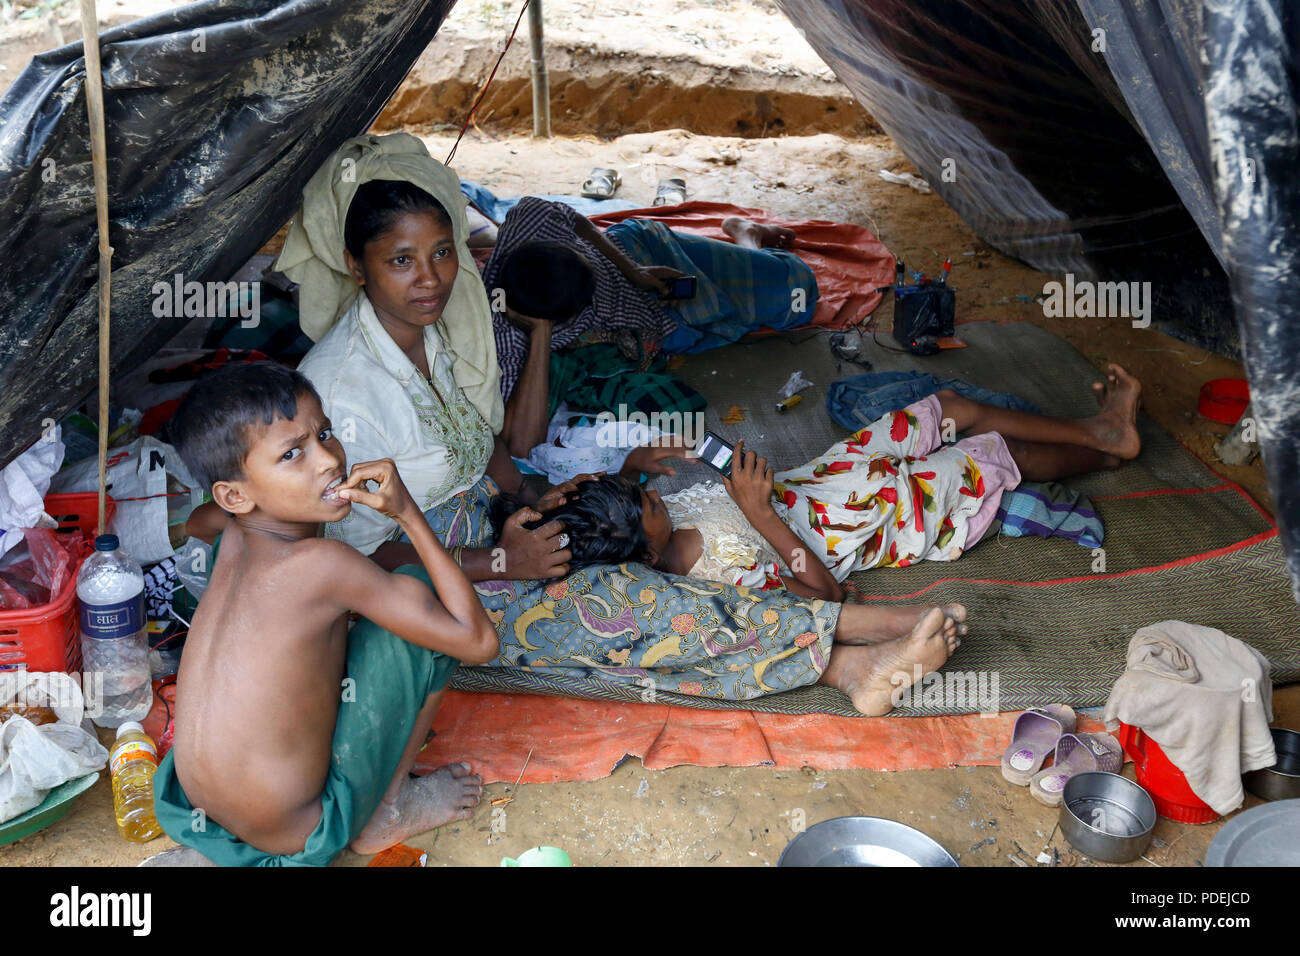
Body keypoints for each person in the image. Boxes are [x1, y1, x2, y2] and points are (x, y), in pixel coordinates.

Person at [274, 134, 961, 716]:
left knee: (629, 546)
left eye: (443, 253)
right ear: (354, 266)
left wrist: (535, 497)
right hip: (426, 584)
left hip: (496, 528)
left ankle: (843, 645)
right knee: (626, 603)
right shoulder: (340, 394)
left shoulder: (432, 335)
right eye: (401, 261)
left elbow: (478, 444)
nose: (431, 280)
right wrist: (504, 562)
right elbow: (354, 560)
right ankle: (852, 650)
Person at [153, 362, 498, 866]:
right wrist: (406, 513)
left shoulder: (231, 527)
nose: (328, 461)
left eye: (325, 434)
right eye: (292, 454)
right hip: (302, 831)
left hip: (200, 804)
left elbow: (202, 520)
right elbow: (477, 641)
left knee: (363, 614)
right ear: (237, 493)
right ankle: (389, 809)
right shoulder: (324, 565)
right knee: (421, 592)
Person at [493, 365, 1143, 600]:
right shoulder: (715, 578)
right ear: (647, 552)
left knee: (948, 407)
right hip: (879, 521)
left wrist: (631, 467)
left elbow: (599, 498)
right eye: (647, 505)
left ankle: (1099, 432)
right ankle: (1107, 450)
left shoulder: (638, 529)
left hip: (831, 480)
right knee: (990, 459)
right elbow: (825, 593)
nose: (656, 496)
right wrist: (761, 515)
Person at [482, 196, 818, 455]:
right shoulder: (506, 341)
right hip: (657, 322)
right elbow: (521, 444)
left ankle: (747, 237)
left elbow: (578, 222)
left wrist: (633, 271)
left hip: (640, 257)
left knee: (799, 288)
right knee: (779, 307)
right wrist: (540, 334)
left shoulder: (528, 222)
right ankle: (749, 242)